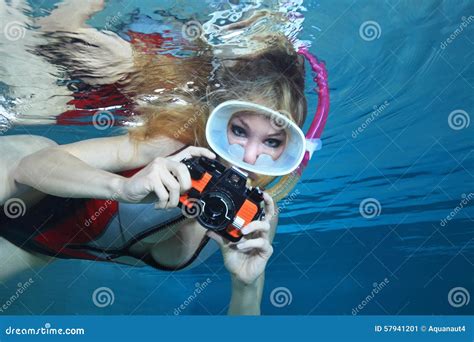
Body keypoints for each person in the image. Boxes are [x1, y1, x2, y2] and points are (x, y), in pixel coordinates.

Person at [0, 1, 313, 315]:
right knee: (38, 90)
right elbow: (28, 167)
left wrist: (246, 284)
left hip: (35, 247)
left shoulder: (254, 218)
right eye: (239, 131)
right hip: (22, 188)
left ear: (290, 151)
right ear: (219, 123)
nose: (249, 156)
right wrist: (122, 188)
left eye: (272, 141)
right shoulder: (173, 143)